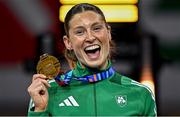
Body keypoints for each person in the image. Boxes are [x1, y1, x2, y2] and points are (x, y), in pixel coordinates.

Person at [27, 3, 157, 116]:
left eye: (96, 28)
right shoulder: (48, 92)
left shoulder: (141, 94)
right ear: (68, 43)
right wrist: (40, 110)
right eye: (80, 32)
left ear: (108, 33)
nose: (90, 37)